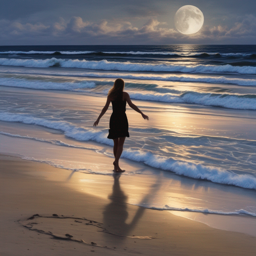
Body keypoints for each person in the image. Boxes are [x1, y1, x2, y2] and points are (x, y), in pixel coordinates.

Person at [93, 78, 149, 172]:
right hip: (122, 119)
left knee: (115, 144)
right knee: (120, 144)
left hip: (114, 119)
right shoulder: (125, 95)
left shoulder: (111, 95)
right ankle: (116, 162)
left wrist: (98, 118)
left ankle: (116, 166)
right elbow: (132, 105)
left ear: (115, 85)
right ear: (122, 85)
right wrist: (141, 113)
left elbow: (105, 108)